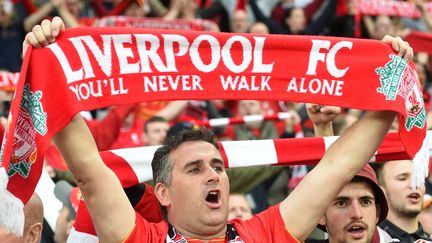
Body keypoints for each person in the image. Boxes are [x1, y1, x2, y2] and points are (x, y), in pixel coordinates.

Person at [24, 17, 411, 242]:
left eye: (217, 167)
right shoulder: (144, 238)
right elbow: (91, 172)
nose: (214, 174)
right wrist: (49, 68)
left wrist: (390, 88)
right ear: (162, 192)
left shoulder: (261, 233)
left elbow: (338, 167)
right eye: (195, 169)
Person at [375, 160, 431, 242]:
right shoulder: (372, 239)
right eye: (402, 178)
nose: (414, 185)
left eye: (418, 178)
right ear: (381, 190)